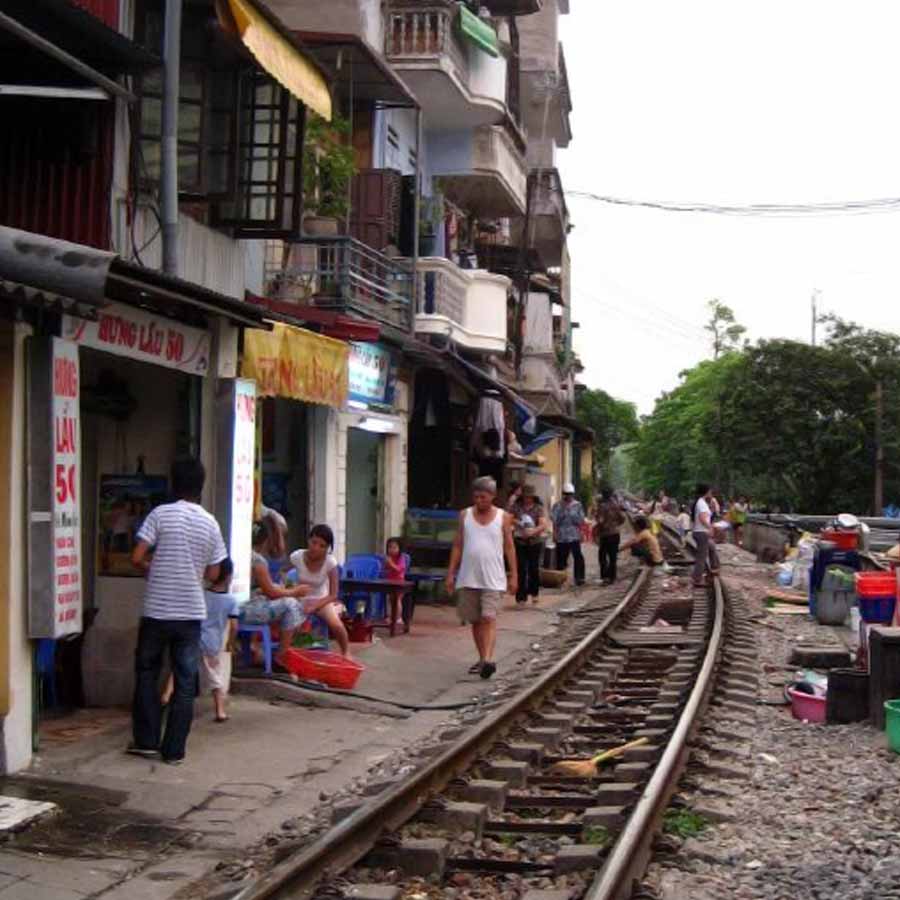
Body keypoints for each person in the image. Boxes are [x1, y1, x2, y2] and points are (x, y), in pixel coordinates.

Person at [129, 457, 227, 765]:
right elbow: (214, 574)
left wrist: (152, 569)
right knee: (185, 681)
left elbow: (136, 557)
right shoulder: (210, 522)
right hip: (190, 613)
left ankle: (146, 741)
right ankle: (174, 751)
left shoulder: (160, 514)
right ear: (201, 486)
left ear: (173, 483)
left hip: (157, 610)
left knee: (147, 673)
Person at [446, 476, 517, 680]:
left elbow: (509, 547)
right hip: (469, 577)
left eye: (483, 497)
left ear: (493, 497)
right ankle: (482, 658)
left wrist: (514, 575)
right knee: (476, 621)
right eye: (476, 497)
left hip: (494, 577)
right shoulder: (464, 515)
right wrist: (451, 572)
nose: (479, 501)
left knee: (489, 617)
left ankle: (487, 659)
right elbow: (458, 544)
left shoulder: (503, 517)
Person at [161, 557, 239, 723]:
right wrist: (231, 643)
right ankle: (220, 710)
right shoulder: (231, 601)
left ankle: (166, 695)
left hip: (193, 637)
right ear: (229, 576)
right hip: (212, 644)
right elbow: (234, 626)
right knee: (215, 676)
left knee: (179, 668)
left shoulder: (201, 594)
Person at [241, 519, 310, 670]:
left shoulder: (239, 552)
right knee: (291, 605)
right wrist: (294, 592)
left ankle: (256, 648)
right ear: (266, 540)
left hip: (237, 606)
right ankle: (281, 656)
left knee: (281, 601)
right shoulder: (257, 560)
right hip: (245, 610)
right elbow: (271, 592)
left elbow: (260, 588)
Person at [289, 524, 351, 657]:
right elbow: (284, 574)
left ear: (327, 548)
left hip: (322, 600)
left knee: (336, 625)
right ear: (309, 540)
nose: (316, 548)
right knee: (290, 625)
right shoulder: (297, 556)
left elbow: (333, 594)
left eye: (322, 546)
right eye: (314, 542)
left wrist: (315, 606)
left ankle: (346, 652)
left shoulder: (330, 562)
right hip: (300, 599)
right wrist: (291, 590)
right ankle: (290, 654)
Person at [509, 484, 549, 604]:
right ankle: (521, 596)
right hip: (520, 540)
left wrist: (533, 531)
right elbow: (509, 518)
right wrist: (519, 522)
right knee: (521, 568)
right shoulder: (516, 506)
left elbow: (543, 524)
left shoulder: (538, 508)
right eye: (525, 497)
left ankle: (534, 593)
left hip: (534, 542)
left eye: (530, 497)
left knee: (533, 568)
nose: (527, 499)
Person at [551, 483, 586, 586]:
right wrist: (554, 533)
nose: (568, 496)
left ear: (573, 494)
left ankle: (579, 578)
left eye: (570, 494)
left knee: (578, 557)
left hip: (574, 535)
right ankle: (559, 579)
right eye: (566, 494)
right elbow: (554, 521)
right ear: (563, 494)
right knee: (561, 558)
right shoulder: (557, 506)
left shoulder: (578, 505)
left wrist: (582, 533)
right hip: (562, 536)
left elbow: (581, 521)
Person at [593, 488, 625, 585]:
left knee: (602, 556)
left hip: (605, 535)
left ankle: (605, 577)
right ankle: (612, 577)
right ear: (611, 495)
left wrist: (599, 525)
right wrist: (615, 525)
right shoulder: (616, 505)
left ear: (603, 495)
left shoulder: (602, 506)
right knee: (613, 556)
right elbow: (622, 518)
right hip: (615, 534)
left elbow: (600, 521)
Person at [691, 483, 721, 588]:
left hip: (700, 532)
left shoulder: (701, 502)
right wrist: (710, 528)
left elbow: (707, 515)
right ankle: (697, 579)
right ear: (706, 491)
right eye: (710, 491)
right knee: (702, 557)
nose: (711, 492)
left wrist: (713, 508)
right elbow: (702, 518)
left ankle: (715, 568)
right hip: (701, 532)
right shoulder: (701, 503)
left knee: (712, 547)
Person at [382, 536, 408, 636]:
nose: (391, 550)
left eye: (394, 547)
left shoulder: (401, 558)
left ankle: (398, 618)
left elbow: (399, 569)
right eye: (389, 547)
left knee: (397, 600)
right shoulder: (389, 558)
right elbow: (385, 569)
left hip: (399, 582)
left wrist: (391, 563)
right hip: (390, 581)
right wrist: (386, 564)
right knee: (390, 600)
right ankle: (391, 616)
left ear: (399, 548)